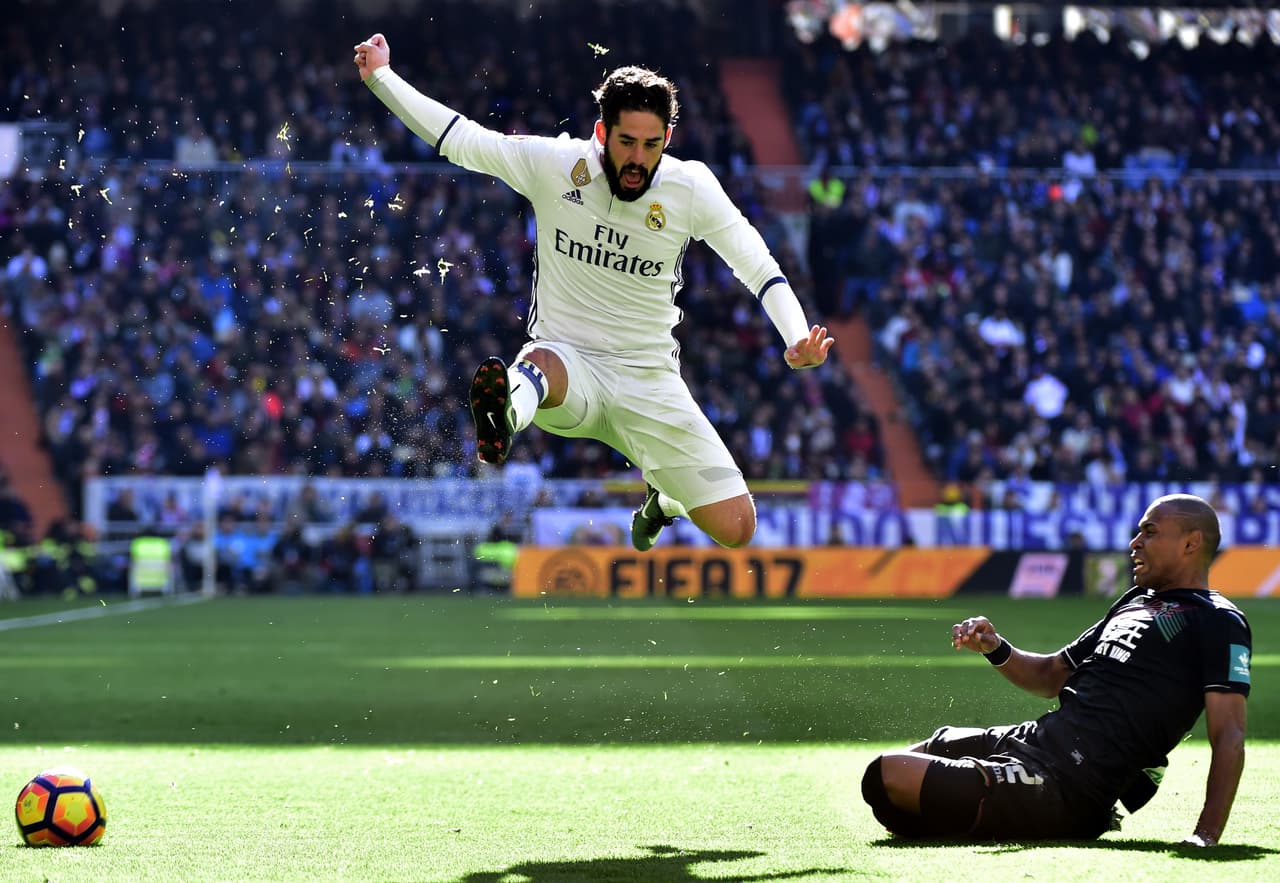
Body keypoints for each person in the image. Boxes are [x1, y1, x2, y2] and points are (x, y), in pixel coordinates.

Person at [354, 34, 834, 552]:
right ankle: (503, 417)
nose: (637, 159)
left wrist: (795, 336)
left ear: (667, 138)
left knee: (738, 529)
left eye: (651, 145)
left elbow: (758, 265)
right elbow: (461, 139)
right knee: (539, 363)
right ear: (602, 131)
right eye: (627, 142)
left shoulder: (690, 187)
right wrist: (382, 77)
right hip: (569, 365)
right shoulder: (556, 165)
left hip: (649, 379)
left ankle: (664, 498)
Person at [862, 494, 1250, 845]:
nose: (1135, 543)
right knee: (898, 772)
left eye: (1149, 532)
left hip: (1070, 780)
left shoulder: (1217, 620)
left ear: (1190, 542)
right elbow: (1051, 674)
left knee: (888, 774)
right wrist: (996, 648)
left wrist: (1205, 835)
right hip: (1038, 741)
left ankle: (1047, 814)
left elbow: (1229, 733)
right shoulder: (1133, 602)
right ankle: (993, 813)